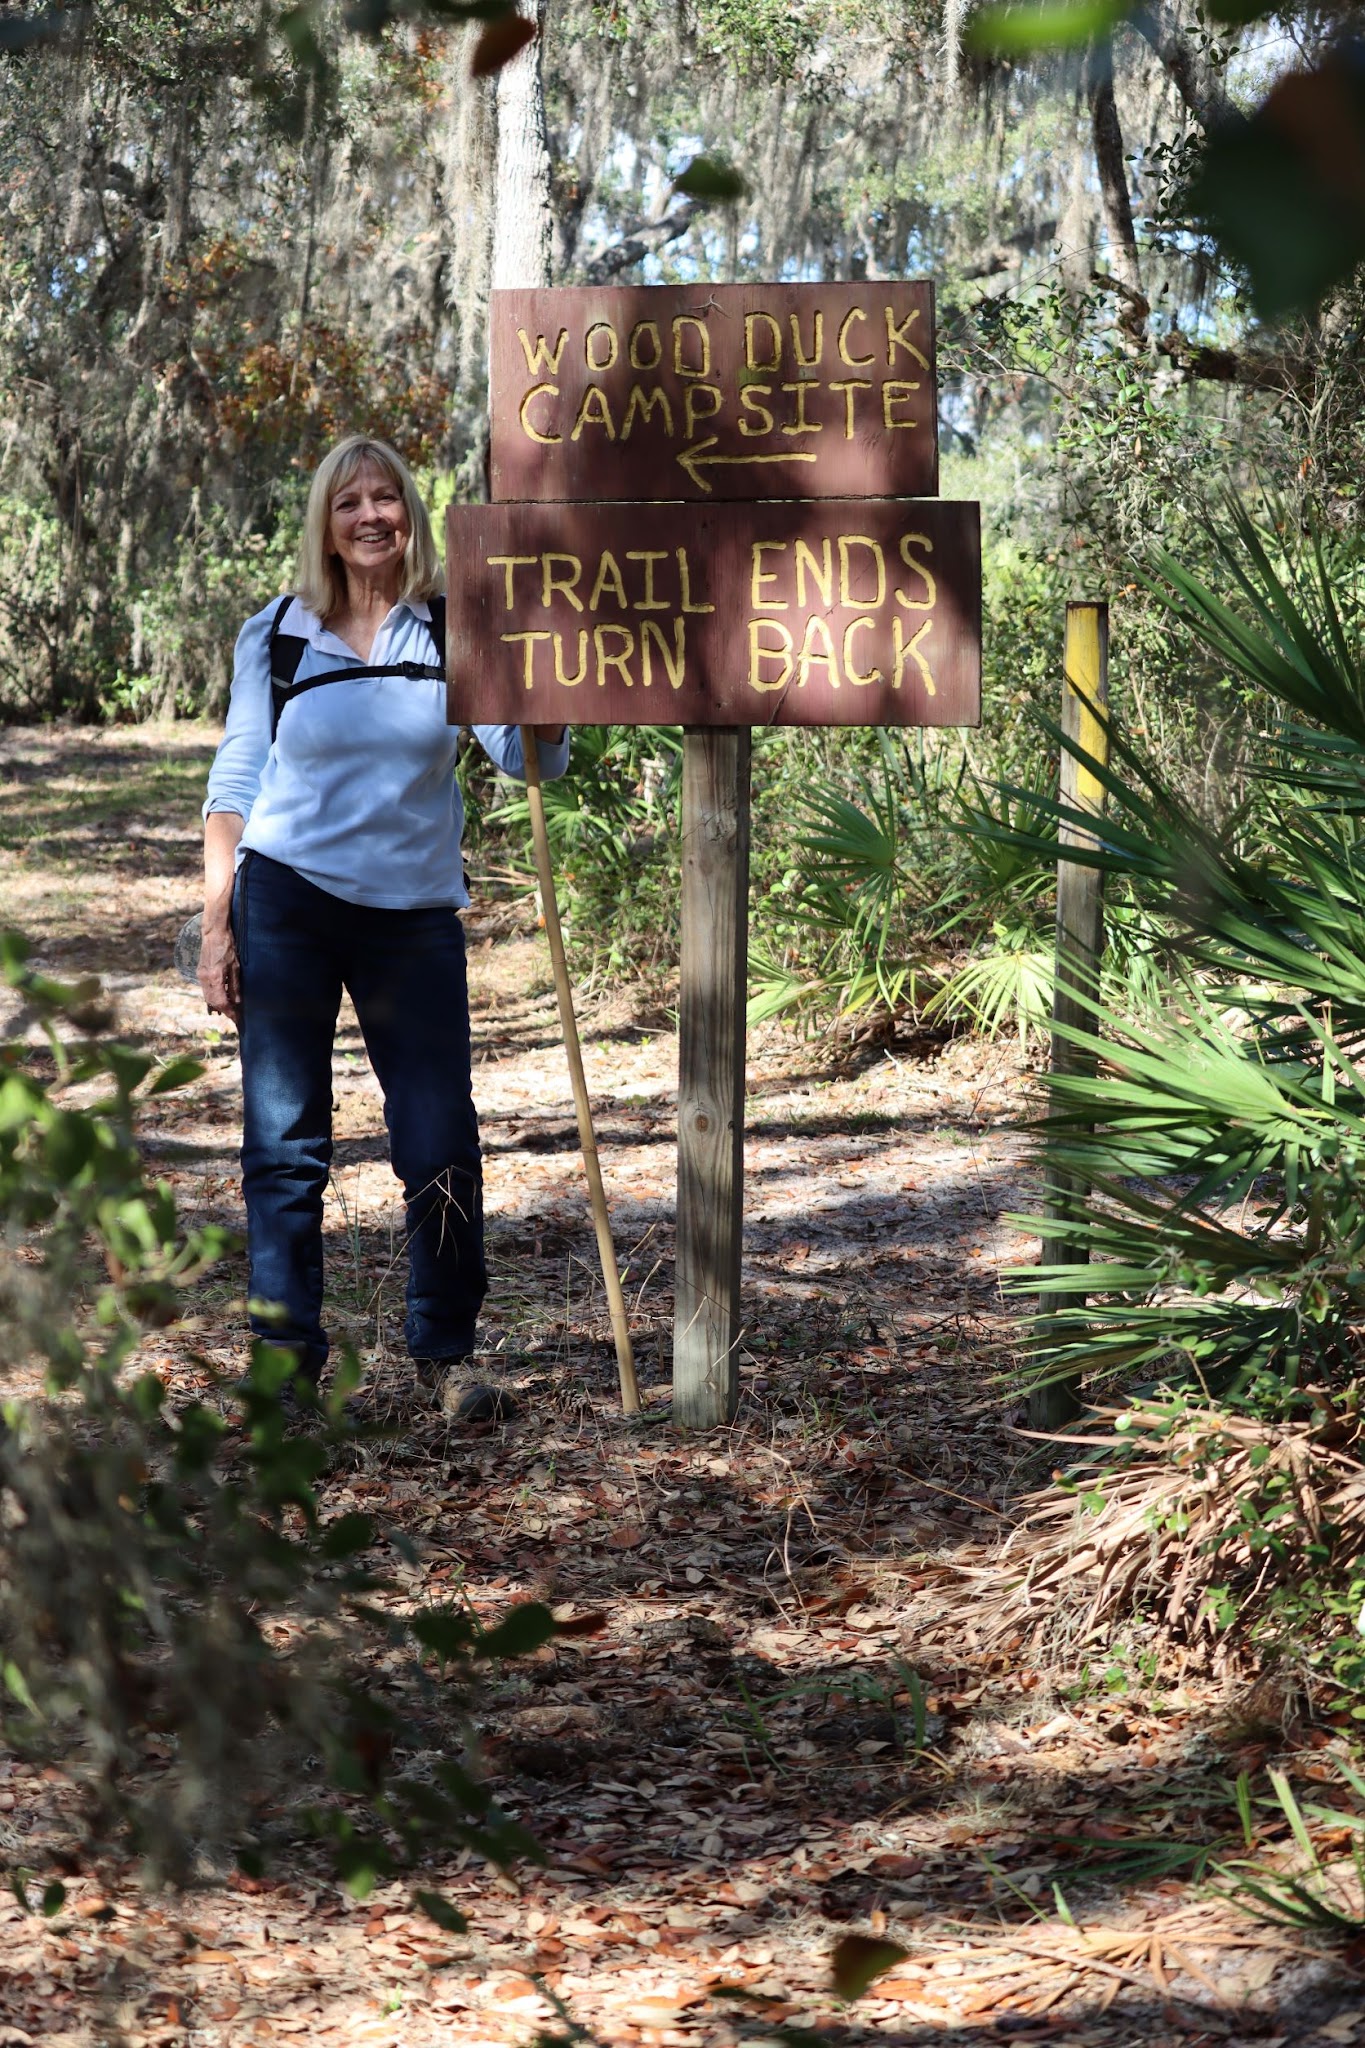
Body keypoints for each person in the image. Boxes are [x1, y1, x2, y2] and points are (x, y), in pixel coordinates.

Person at [198, 433, 569, 1417]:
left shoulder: (450, 628)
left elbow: (528, 760)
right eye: (350, 501)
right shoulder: (277, 633)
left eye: (388, 499)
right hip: (287, 901)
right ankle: (284, 1368)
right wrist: (215, 919)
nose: (371, 516)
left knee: (440, 1138)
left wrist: (545, 690)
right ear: (325, 522)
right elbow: (236, 781)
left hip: (412, 915)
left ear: (411, 513)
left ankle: (446, 1356)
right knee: (284, 1144)